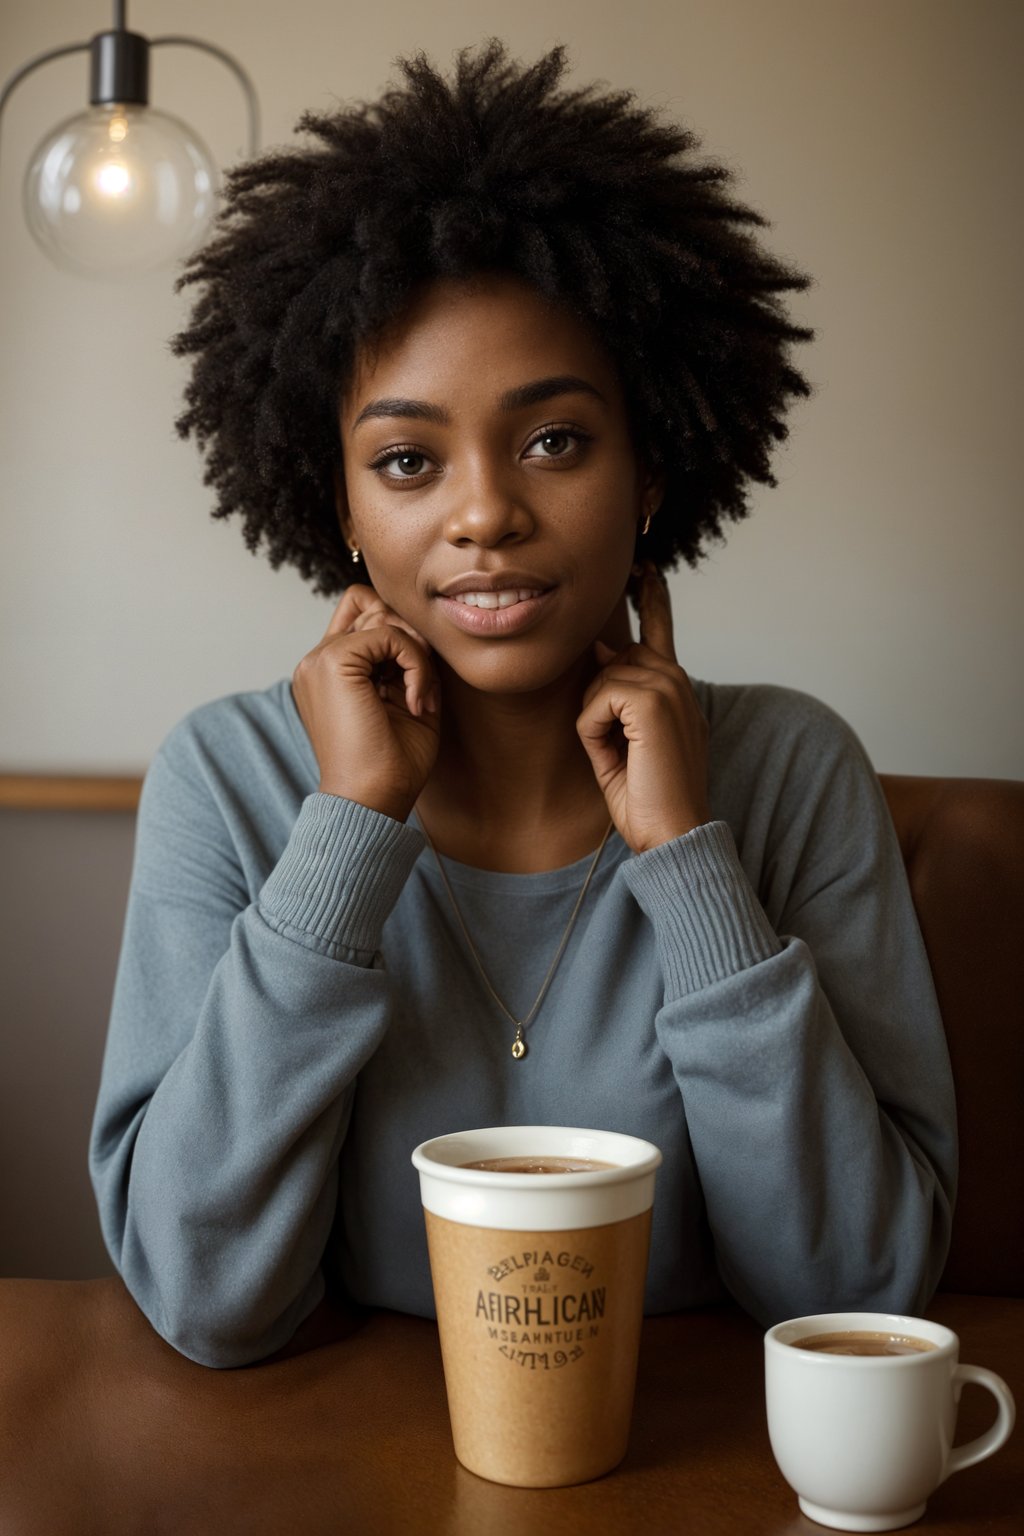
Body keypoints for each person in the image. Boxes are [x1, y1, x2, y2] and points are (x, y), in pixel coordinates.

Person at [89, 41, 956, 1368]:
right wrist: (345, 829)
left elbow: (849, 1292)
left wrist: (689, 862)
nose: (486, 511)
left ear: (651, 465)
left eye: (555, 439)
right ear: (340, 507)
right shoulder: (228, 777)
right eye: (407, 458)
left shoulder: (788, 767)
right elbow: (207, 1296)